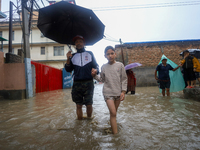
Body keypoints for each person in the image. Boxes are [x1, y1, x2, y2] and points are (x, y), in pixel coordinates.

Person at [91, 46, 127, 134]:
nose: (110, 56)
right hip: (108, 93)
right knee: (113, 113)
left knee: (113, 113)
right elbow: (102, 79)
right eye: (108, 54)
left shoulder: (120, 65)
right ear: (105, 56)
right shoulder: (103, 67)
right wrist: (94, 76)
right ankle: (115, 136)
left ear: (115, 54)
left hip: (118, 93)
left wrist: (123, 91)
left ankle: (112, 123)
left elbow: (124, 79)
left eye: (112, 53)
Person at [65, 35, 99, 120]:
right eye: (76, 42)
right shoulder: (72, 56)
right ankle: (79, 124)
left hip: (89, 83)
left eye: (80, 41)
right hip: (77, 84)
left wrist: (96, 71)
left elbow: (96, 66)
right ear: (75, 44)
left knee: (89, 104)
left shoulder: (90, 54)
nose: (78, 43)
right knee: (78, 105)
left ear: (84, 43)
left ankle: (89, 122)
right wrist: (68, 59)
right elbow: (68, 69)